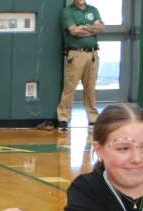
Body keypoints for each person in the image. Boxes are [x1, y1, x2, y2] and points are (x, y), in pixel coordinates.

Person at [57, 0, 105, 130]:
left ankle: (93, 118)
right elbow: (73, 31)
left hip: (93, 54)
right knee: (70, 87)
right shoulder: (68, 11)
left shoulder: (93, 10)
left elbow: (102, 28)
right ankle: (64, 118)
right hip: (76, 54)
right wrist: (91, 28)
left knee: (90, 87)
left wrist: (82, 27)